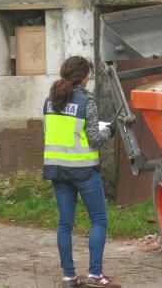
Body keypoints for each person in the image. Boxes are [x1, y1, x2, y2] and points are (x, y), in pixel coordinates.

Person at [43, 56, 119, 288]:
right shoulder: (87, 102)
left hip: (57, 169)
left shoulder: (49, 100)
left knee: (65, 224)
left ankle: (69, 277)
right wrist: (110, 130)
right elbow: (95, 138)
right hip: (83, 171)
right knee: (99, 220)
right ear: (84, 77)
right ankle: (95, 275)